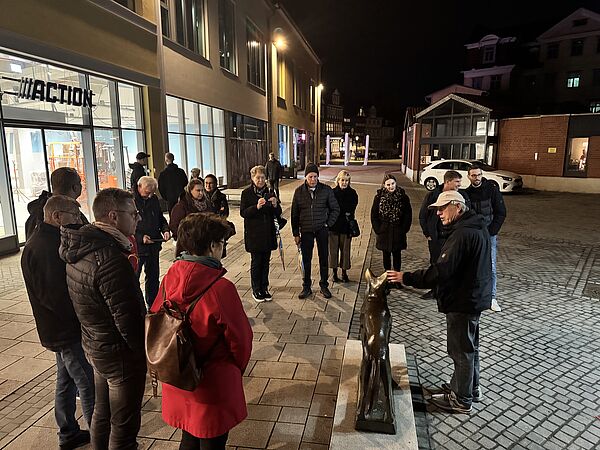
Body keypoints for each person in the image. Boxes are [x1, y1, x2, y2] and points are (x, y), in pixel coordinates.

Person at [150, 213, 252, 450]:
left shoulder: (169, 278)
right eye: (222, 243)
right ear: (212, 246)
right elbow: (241, 341)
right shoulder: (221, 288)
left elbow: (156, 317)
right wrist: (235, 369)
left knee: (189, 436)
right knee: (212, 439)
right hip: (212, 381)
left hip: (177, 374)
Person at [387, 190, 492, 414]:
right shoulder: (475, 226)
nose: (439, 213)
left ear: (457, 206)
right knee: (470, 348)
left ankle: (461, 399)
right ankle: (468, 389)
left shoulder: (463, 234)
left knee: (460, 351)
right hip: (472, 297)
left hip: (463, 300)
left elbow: (441, 271)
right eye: (437, 210)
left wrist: (406, 277)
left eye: (443, 208)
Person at [60, 188, 147, 450]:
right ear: (113, 216)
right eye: (133, 213)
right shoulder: (110, 259)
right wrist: (144, 353)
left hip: (95, 345)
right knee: (123, 426)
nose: (138, 218)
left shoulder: (82, 247)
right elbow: (128, 319)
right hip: (118, 354)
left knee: (102, 412)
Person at [21, 195, 94, 450]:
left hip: (58, 330)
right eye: (74, 215)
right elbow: (56, 297)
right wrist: (82, 319)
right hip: (64, 330)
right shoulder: (44, 247)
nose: (78, 220)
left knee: (66, 381)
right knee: (87, 383)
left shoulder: (47, 240)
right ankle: (101, 437)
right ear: (56, 216)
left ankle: (68, 433)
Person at [291, 162, 340, 299]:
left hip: (321, 229)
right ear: (305, 177)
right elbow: (294, 214)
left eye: (315, 176)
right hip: (306, 230)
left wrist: (328, 224)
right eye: (310, 177)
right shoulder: (299, 192)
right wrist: (296, 233)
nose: (313, 179)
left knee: (324, 258)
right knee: (306, 260)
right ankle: (306, 286)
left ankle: (324, 285)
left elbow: (335, 209)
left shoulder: (326, 190)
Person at [419, 170, 470, 299]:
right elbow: (423, 215)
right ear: (448, 182)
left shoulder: (461, 196)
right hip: (436, 238)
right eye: (457, 181)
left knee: (452, 264)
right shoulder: (433, 195)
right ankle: (435, 290)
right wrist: (427, 233)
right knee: (435, 263)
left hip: (453, 237)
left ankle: (449, 290)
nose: (459, 184)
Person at [466, 163, 506, 312]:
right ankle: (475, 294)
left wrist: (491, 232)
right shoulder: (467, 193)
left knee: (491, 266)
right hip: (474, 235)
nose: (477, 178)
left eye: (479, 175)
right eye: (474, 175)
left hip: (489, 234)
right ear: (468, 176)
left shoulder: (492, 190)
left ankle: (492, 297)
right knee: (473, 265)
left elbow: (501, 212)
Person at [240, 165, 282, 302]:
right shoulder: (246, 193)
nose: (260, 180)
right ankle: (256, 289)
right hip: (254, 235)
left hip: (267, 234)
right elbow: (243, 212)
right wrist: (256, 207)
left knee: (266, 262)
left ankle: (265, 288)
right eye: (258, 177)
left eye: (263, 177)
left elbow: (278, 212)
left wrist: (275, 205)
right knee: (256, 262)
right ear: (252, 178)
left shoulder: (270, 192)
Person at [134, 176, 171, 309]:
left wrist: (165, 229)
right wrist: (140, 238)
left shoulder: (153, 199)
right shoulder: (130, 201)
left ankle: (153, 306)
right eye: (147, 192)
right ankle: (137, 307)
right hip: (138, 248)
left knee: (153, 278)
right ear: (139, 187)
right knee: (134, 278)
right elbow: (126, 226)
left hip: (153, 245)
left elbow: (160, 218)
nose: (150, 196)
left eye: (152, 193)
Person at [370, 174, 412, 287]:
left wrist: (404, 229)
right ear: (384, 185)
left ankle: (397, 280)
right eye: (388, 184)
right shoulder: (379, 197)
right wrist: (378, 229)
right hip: (384, 231)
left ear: (396, 183)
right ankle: (387, 279)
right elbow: (374, 214)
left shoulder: (403, 197)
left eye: (392, 183)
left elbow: (408, 214)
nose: (391, 186)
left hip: (398, 230)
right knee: (386, 255)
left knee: (397, 255)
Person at [25, 167, 88, 240]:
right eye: (80, 183)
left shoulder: (37, 212)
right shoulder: (67, 214)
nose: (78, 220)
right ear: (75, 188)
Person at [170, 178, 214, 256]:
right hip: (188, 245)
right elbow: (174, 225)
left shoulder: (207, 204)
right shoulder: (182, 206)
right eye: (198, 190)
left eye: (202, 190)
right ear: (190, 191)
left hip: (205, 243)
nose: (201, 193)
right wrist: (187, 238)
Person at [328, 170, 358, 283]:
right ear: (338, 180)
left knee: (345, 251)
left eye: (346, 181)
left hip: (346, 226)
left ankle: (344, 273)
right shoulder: (332, 193)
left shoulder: (353, 193)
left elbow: (351, 208)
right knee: (333, 250)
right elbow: (329, 208)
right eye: (342, 180)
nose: (344, 183)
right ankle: (334, 272)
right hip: (334, 226)